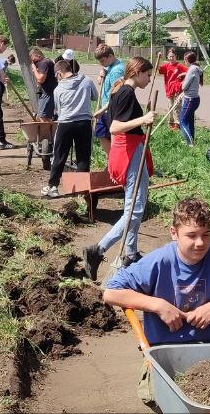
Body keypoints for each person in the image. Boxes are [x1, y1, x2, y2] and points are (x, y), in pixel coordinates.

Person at [103, 197, 210, 345]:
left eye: (206, 235)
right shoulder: (159, 261)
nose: (200, 243)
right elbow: (111, 293)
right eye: (191, 235)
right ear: (173, 233)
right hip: (163, 347)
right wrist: (158, 305)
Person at [82, 56, 157, 280]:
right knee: (135, 209)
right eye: (147, 75)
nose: (149, 79)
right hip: (129, 151)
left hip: (126, 151)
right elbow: (115, 127)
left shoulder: (118, 90)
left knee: (131, 206)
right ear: (137, 72)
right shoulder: (126, 92)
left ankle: (131, 254)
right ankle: (98, 250)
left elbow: (110, 112)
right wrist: (143, 119)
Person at [43, 58, 99, 198]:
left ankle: (53, 187)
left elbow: (59, 110)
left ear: (59, 73)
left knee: (59, 156)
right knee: (83, 157)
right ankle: (81, 190)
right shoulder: (87, 81)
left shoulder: (58, 89)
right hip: (84, 123)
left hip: (65, 124)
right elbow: (95, 97)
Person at [93, 44, 125, 158]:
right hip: (107, 108)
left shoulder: (117, 71)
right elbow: (99, 81)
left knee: (108, 134)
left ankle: (114, 159)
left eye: (102, 61)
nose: (101, 64)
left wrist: (102, 110)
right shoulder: (109, 65)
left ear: (110, 56)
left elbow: (116, 95)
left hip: (111, 109)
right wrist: (100, 76)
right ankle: (112, 158)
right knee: (102, 133)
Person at [0, 35, 15, 149]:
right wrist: (2, 79)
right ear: (1, 43)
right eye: (5, 47)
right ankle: (1, 141)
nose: (5, 50)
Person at [158, 49, 187, 130]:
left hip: (178, 89)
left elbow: (189, 72)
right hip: (169, 89)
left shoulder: (179, 66)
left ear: (175, 57)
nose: (171, 58)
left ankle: (177, 124)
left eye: (172, 56)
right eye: (170, 56)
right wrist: (159, 58)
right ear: (167, 57)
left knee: (177, 106)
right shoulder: (166, 66)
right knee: (170, 106)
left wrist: (182, 74)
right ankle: (171, 122)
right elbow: (158, 68)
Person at [178, 52, 202, 145]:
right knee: (190, 120)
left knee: (182, 121)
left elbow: (184, 87)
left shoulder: (191, 70)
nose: (184, 61)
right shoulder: (195, 68)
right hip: (195, 99)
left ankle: (190, 143)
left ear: (187, 60)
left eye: (184, 60)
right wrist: (185, 73)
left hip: (190, 100)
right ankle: (191, 140)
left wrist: (183, 80)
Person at [31, 47, 58, 120]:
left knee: (44, 118)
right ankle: (48, 131)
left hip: (47, 94)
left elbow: (40, 79)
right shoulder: (47, 61)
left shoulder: (43, 63)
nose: (32, 61)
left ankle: (46, 131)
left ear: (37, 55)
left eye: (32, 57)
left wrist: (34, 70)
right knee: (46, 117)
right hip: (49, 93)